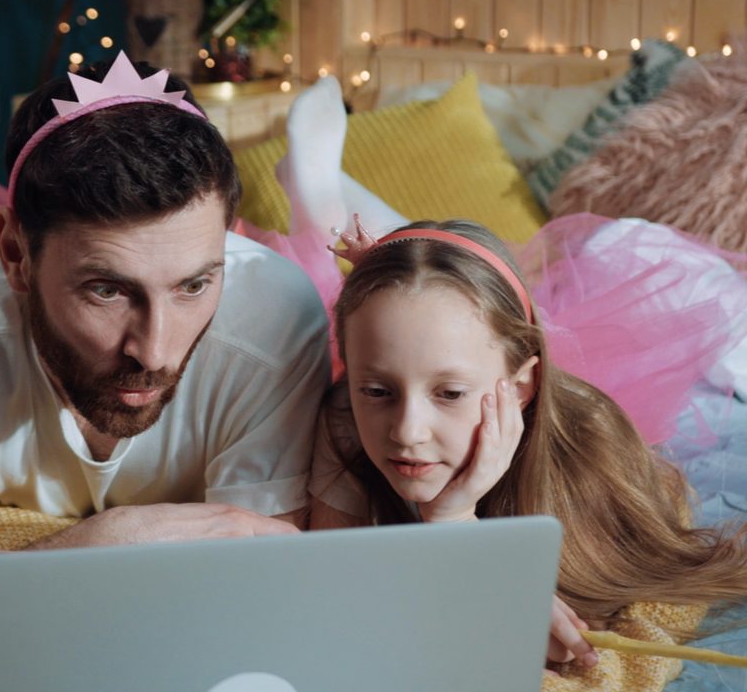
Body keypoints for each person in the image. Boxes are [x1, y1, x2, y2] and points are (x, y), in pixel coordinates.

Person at [0, 52, 331, 654]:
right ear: (14, 253)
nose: (156, 350)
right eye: (107, 289)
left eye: (194, 285)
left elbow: (260, 608)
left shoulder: (277, 320)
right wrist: (106, 543)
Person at [307, 217, 747, 674]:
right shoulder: (343, 420)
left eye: (450, 394)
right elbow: (341, 599)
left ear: (519, 387)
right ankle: (316, 203)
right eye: (377, 391)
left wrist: (457, 527)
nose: (407, 432)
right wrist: (452, 524)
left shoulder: (589, 442)